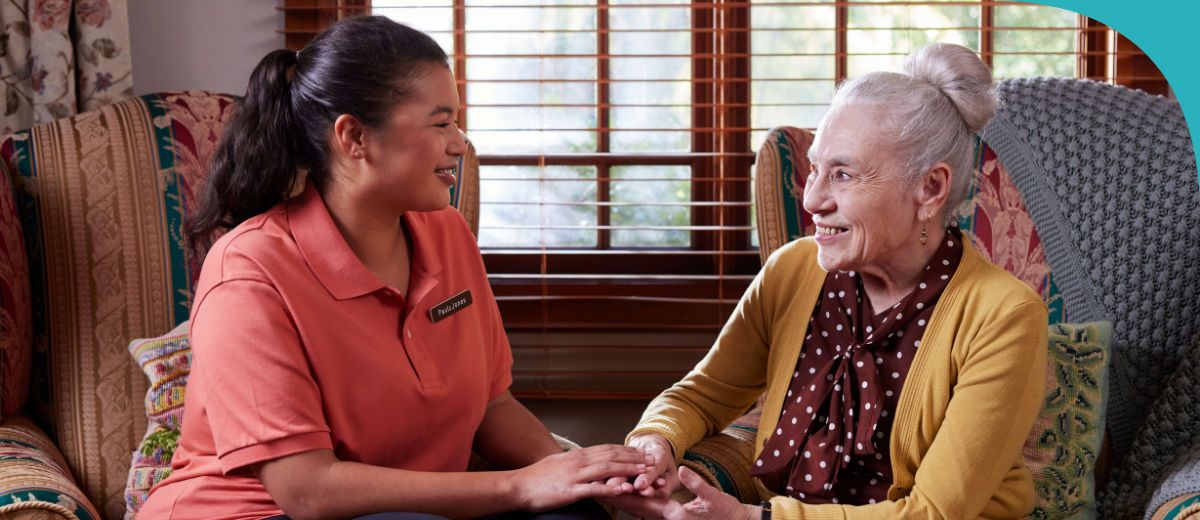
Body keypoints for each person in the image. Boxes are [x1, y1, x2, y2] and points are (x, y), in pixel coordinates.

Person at [140, 16, 649, 520]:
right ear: (354, 136)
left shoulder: (447, 234)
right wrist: (519, 486)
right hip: (254, 514)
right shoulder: (249, 271)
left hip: (411, 511)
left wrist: (585, 475)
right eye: (440, 122)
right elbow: (308, 491)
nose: (459, 142)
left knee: (573, 515)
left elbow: (493, 409)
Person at [606, 43, 1048, 520]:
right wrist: (658, 442)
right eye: (816, 168)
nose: (813, 199)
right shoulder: (792, 271)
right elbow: (702, 396)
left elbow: (934, 513)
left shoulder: (1004, 315)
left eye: (842, 174)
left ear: (930, 188)